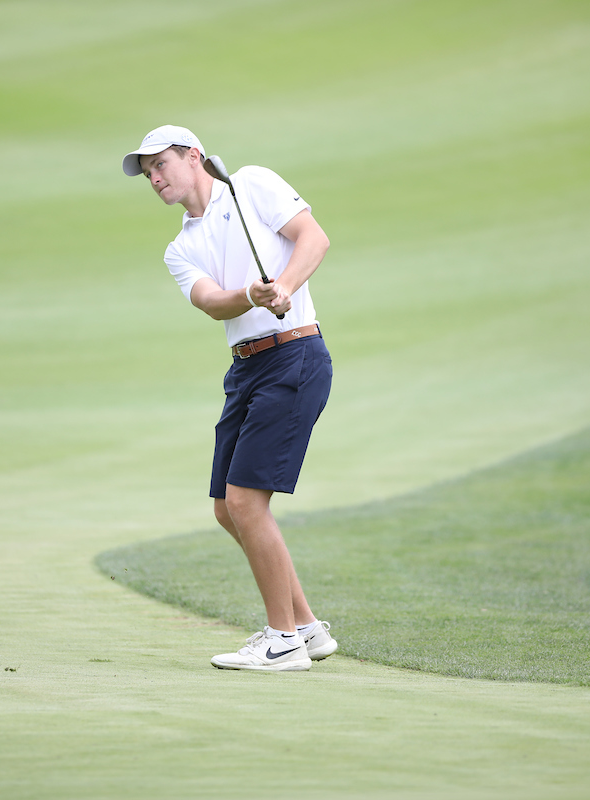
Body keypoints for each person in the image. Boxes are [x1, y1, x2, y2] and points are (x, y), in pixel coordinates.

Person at [122, 125, 338, 672]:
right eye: (147, 172)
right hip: (246, 369)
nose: (154, 177)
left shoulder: (252, 185)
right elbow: (214, 303)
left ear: (194, 157)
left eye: (161, 164)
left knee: (246, 503)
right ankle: (307, 629)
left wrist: (284, 285)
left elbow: (314, 239)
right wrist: (251, 294)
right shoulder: (179, 248)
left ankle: (282, 640)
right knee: (227, 509)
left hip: (294, 355)